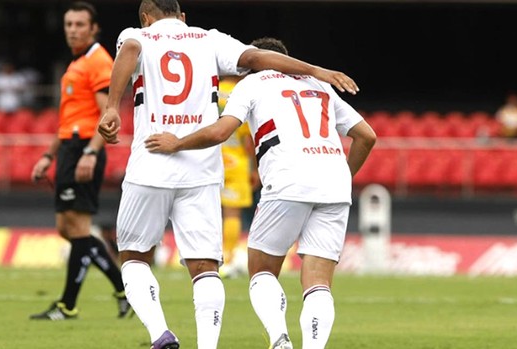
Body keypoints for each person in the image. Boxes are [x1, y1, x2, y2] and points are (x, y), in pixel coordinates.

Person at [97, 1, 358, 348]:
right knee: (205, 267)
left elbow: (130, 49)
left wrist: (113, 105)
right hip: (203, 171)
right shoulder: (211, 39)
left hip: (152, 161)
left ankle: (160, 333)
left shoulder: (137, 35)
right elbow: (257, 59)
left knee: (132, 256)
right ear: (183, 16)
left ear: (146, 17)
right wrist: (316, 70)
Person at [144, 37, 376, 349]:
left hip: (288, 179)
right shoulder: (319, 85)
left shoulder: (251, 84)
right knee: (318, 284)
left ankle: (280, 339)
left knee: (262, 271)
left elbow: (221, 131)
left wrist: (177, 143)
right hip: (333, 184)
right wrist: (342, 177)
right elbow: (366, 136)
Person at [29, 1, 132, 321]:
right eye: (68, 24)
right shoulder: (76, 65)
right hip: (72, 147)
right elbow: (69, 118)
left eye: (79, 24)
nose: (72, 30)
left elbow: (107, 114)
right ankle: (123, 290)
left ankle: (67, 306)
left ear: (94, 28)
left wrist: (91, 152)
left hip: (85, 149)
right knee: (69, 228)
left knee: (78, 229)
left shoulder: (98, 61)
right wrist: (49, 155)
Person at [217, 75, 260, 278]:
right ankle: (227, 258)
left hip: (208, 158)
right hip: (235, 162)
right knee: (231, 213)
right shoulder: (241, 94)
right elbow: (247, 138)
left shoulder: (211, 89)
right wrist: (255, 168)